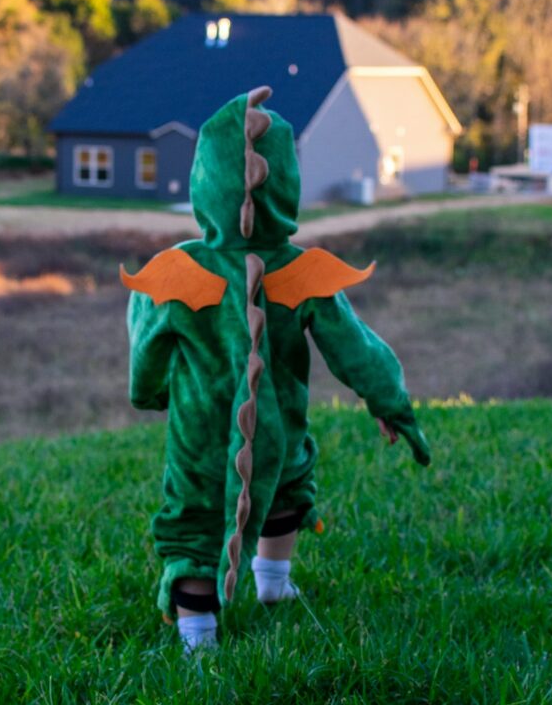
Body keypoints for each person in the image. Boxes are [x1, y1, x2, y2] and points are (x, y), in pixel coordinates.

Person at [121, 86, 431, 652]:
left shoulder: (175, 273)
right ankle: (272, 581)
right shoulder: (299, 272)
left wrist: (149, 393)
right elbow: (355, 347)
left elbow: (146, 350)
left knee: (194, 516)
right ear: (286, 182)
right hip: (279, 424)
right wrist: (389, 402)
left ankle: (198, 636)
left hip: (197, 434)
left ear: (204, 180)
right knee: (286, 486)